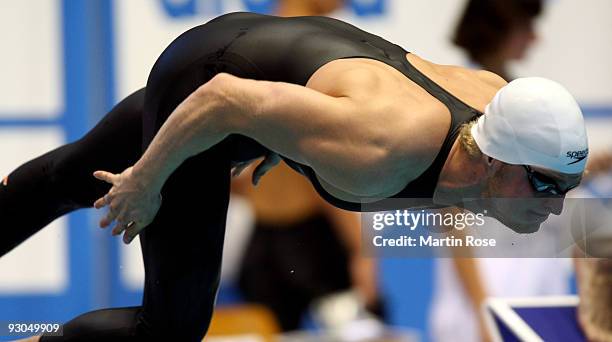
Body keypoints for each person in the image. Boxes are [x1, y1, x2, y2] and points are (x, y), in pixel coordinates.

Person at [0, 12, 586, 341]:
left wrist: (296, 135)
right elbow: (226, 96)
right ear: (494, 159)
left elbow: (341, 87)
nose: (556, 207)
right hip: (212, 83)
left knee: (67, 175)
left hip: (256, 77)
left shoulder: (500, 104)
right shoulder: (386, 144)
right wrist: (147, 180)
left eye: (566, 187)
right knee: (168, 333)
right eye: (545, 185)